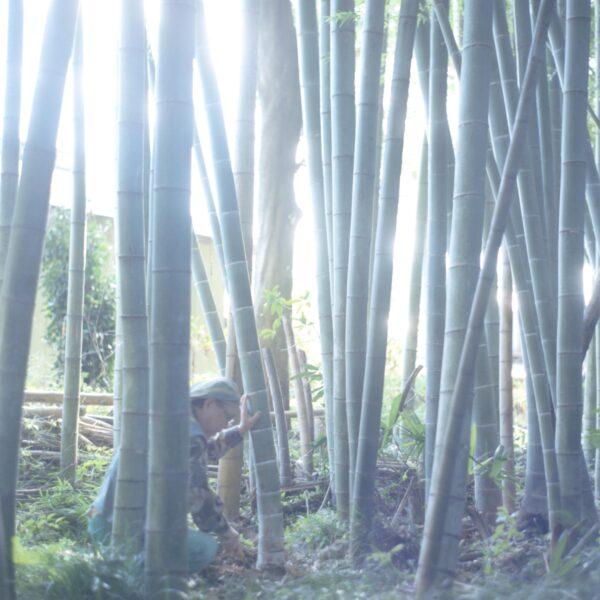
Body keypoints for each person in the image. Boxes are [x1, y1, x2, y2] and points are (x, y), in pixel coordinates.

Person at [87, 377, 260, 572]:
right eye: (226, 417)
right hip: (122, 530)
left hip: (104, 520)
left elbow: (205, 451)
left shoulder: (174, 419)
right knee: (203, 548)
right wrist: (225, 532)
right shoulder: (188, 433)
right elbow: (198, 496)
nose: (225, 424)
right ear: (209, 404)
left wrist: (240, 430)